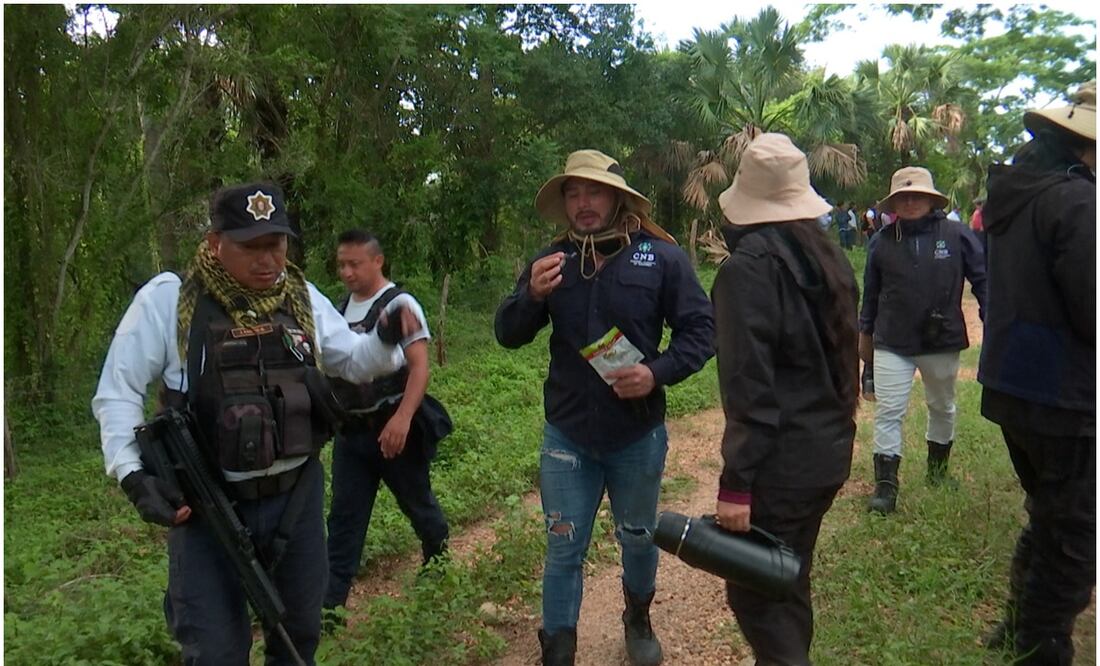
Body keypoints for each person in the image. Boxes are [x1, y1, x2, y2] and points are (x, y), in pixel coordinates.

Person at [92, 182, 420, 665]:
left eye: (277, 244)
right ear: (214, 243)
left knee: (299, 637)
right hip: (209, 510)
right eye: (251, 246)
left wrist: (387, 334)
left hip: (296, 500)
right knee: (215, 651)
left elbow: (353, 360)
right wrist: (132, 475)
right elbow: (119, 392)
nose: (267, 260)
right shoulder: (171, 301)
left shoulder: (300, 297)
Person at [495, 149, 714, 666]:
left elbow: (702, 332)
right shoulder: (549, 262)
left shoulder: (660, 258)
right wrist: (529, 296)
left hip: (635, 436)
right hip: (567, 434)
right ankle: (558, 648)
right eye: (573, 193)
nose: (583, 202)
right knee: (563, 548)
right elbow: (508, 334)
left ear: (617, 197)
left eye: (594, 191)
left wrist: (654, 373)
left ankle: (637, 616)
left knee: (638, 538)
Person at [711, 133, 859, 666]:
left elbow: (750, 390)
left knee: (756, 595)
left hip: (780, 467)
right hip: (826, 453)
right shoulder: (830, 261)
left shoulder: (746, 271)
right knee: (788, 578)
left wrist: (736, 484)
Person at [979, 80, 1095, 665]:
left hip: (1015, 383)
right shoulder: (1077, 201)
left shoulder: (1019, 192)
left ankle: (1019, 624)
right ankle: (1041, 646)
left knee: (1049, 514)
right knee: (1076, 535)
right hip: (1066, 393)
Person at [322, 229, 450, 618]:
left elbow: (420, 367)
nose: (347, 272)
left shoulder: (399, 305)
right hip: (352, 434)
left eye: (355, 263)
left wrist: (403, 419)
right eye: (342, 264)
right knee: (344, 520)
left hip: (395, 430)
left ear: (377, 261)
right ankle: (329, 611)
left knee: (417, 504)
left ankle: (438, 563)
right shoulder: (339, 310)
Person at [858, 166, 987, 514]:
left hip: (941, 338)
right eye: (903, 196)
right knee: (889, 411)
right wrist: (865, 342)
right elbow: (870, 297)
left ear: (932, 200)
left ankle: (938, 472)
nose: (911, 201)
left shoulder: (957, 234)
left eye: (918, 195)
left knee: (942, 406)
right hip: (892, 340)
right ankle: (886, 487)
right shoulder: (880, 242)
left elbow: (983, 281)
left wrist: (993, 322)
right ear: (894, 203)